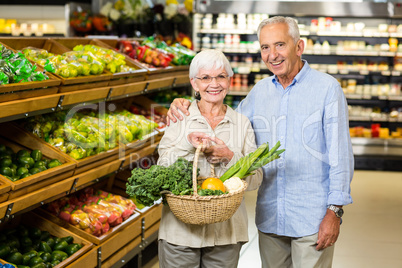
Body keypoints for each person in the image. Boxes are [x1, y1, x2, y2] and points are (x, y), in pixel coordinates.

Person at [166, 16, 354, 267]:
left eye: (280, 45)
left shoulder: (327, 89)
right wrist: (187, 105)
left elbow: (341, 155)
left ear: (299, 47)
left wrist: (335, 212)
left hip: (312, 217)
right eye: (265, 47)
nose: (272, 55)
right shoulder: (259, 92)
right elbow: (223, 119)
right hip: (271, 219)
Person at [157, 49, 263, 268]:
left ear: (229, 81)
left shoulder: (242, 124)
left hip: (226, 233)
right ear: (194, 84)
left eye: (221, 76)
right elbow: (162, 166)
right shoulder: (179, 117)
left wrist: (230, 157)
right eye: (205, 78)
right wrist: (188, 144)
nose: (214, 84)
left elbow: (256, 180)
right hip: (180, 233)